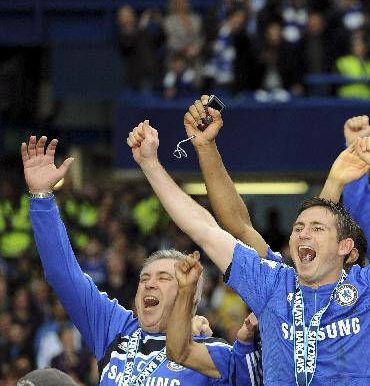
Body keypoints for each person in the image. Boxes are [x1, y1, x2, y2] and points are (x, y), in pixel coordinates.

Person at [126, 93, 370, 384]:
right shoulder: (273, 285)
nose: (303, 233)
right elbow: (204, 228)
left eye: (317, 229)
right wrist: (151, 164)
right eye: (299, 228)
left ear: (345, 248)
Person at [21, 136, 258, 385]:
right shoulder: (115, 327)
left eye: (164, 278)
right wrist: (42, 198)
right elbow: (63, 275)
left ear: (192, 295)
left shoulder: (212, 352)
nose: (149, 284)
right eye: (144, 278)